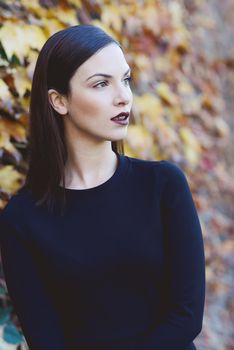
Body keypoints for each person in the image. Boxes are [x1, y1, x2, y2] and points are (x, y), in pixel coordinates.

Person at [0, 24, 206, 350]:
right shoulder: (22, 220)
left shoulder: (164, 185)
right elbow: (47, 340)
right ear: (59, 101)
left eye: (125, 80)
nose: (123, 96)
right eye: (101, 84)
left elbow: (187, 314)